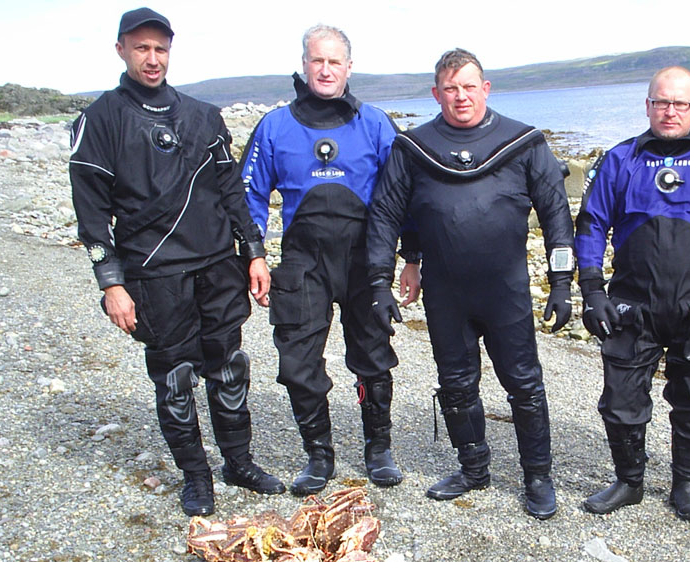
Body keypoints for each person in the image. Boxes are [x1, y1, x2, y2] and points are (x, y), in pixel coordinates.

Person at [68, 8, 285, 517]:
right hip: (153, 272)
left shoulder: (202, 116)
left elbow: (231, 190)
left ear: (171, 51)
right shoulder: (101, 120)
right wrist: (110, 283)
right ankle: (196, 476)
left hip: (216, 265)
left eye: (160, 48)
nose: (152, 58)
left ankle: (238, 462)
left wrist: (253, 251)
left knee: (229, 368)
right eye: (141, 48)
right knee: (174, 375)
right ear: (120, 49)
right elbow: (91, 214)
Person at [366, 49, 575, 520]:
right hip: (447, 292)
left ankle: (538, 477)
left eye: (468, 86)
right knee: (457, 385)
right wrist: (381, 281)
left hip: (506, 290)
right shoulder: (413, 148)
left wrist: (562, 282)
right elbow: (385, 215)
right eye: (450, 88)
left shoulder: (524, 142)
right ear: (436, 93)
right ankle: (473, 469)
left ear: (486, 88)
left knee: (524, 385)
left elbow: (557, 215)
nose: (460, 96)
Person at [575, 67, 690, 522]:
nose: (670, 111)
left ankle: (685, 484)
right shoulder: (620, 160)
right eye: (662, 102)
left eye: (681, 103)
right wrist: (591, 290)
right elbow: (591, 224)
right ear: (648, 106)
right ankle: (629, 481)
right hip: (631, 305)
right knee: (621, 401)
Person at [241, 25, 417, 496]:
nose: (325, 69)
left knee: (373, 358)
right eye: (317, 60)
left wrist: (412, 257)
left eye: (334, 62)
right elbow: (247, 196)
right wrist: (254, 254)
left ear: (349, 68)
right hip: (304, 260)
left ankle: (378, 448)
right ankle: (318, 454)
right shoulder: (275, 126)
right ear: (304, 65)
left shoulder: (376, 123)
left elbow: (406, 194)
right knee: (297, 363)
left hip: (366, 259)